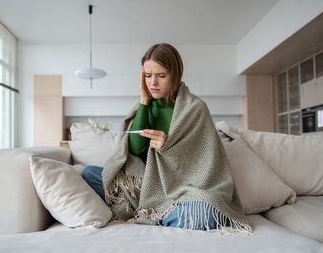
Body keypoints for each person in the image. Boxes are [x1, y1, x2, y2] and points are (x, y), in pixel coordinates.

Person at [82, 43, 251, 233]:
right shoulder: (144, 107)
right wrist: (144, 102)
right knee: (88, 173)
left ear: (175, 74)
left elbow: (203, 162)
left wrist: (168, 147)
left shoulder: (195, 108)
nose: (153, 83)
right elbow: (136, 150)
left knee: (206, 211)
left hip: (178, 190)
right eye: (148, 75)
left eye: (161, 76)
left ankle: (150, 216)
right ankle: (147, 211)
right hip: (143, 185)